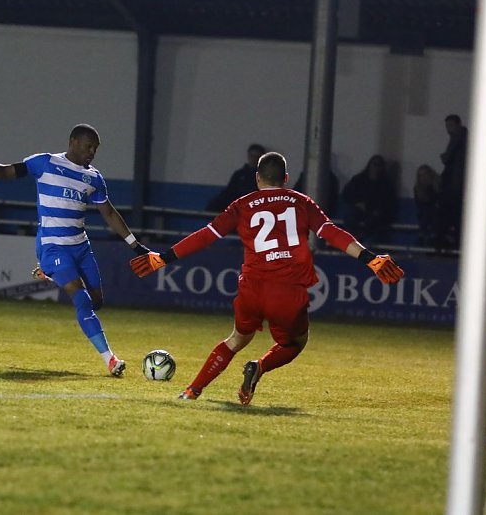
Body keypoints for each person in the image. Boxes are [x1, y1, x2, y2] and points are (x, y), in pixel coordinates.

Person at [131, 151, 404, 404]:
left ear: (257, 178)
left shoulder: (241, 205)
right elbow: (332, 233)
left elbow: (206, 236)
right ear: (286, 178)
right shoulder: (301, 202)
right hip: (287, 291)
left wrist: (163, 258)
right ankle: (259, 366)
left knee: (236, 339)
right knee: (294, 343)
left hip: (252, 289)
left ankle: (192, 391)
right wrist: (370, 258)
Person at [0, 124, 150, 377]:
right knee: (81, 299)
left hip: (81, 247)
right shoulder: (45, 163)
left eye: (95, 149)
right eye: (88, 146)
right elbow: (8, 171)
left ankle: (50, 273)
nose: (92, 152)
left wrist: (134, 244)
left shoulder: (94, 178)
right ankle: (111, 360)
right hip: (53, 246)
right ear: (73, 141)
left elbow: (109, 213)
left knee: (96, 302)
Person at [341, 154, 398, 244]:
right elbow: (346, 194)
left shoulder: (386, 184)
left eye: (379, 165)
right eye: (374, 164)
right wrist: (357, 203)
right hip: (359, 210)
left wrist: (372, 208)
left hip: (375, 213)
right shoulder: (359, 179)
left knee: (376, 218)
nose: (376, 168)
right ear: (369, 165)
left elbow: (387, 203)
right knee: (349, 212)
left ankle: (365, 237)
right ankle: (353, 236)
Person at [435, 114, 468, 249]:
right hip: (457, 186)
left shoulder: (459, 137)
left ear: (458, 125)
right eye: (447, 126)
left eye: (451, 125)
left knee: (451, 216)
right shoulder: (463, 138)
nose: (448, 129)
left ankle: (444, 245)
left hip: (455, 187)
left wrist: (444, 156)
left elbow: (447, 159)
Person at [206, 143, 265, 212]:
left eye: (257, 157)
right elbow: (229, 191)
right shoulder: (239, 174)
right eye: (252, 156)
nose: (254, 159)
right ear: (248, 156)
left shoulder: (265, 176)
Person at [414, 164, 440, 246]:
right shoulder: (418, 189)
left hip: (438, 213)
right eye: (421, 176)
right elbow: (420, 205)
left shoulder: (438, 186)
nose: (423, 178)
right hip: (425, 215)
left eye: (425, 174)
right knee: (425, 211)